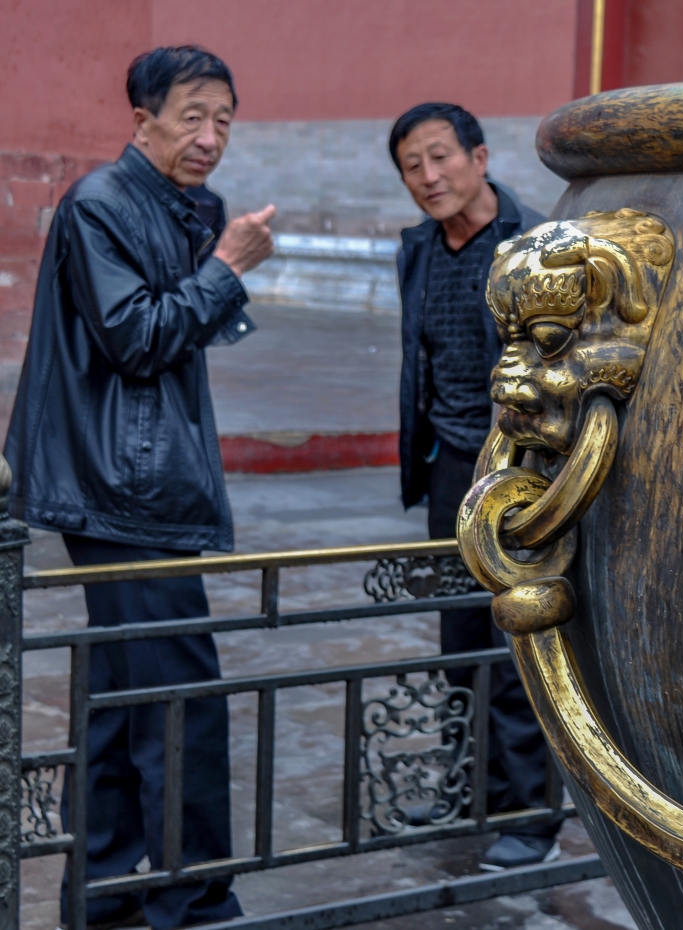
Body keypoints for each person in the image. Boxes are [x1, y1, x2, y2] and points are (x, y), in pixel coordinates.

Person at [4, 47, 276, 930]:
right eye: (193, 116)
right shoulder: (100, 203)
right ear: (143, 120)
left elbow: (182, 329)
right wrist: (227, 264)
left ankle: (107, 888)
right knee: (180, 694)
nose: (211, 137)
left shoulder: (178, 204)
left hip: (137, 478)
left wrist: (212, 252)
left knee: (126, 697)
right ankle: (197, 895)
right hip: (120, 486)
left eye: (225, 119)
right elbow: (136, 337)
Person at [389, 103, 560, 870]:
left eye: (439, 158)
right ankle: (466, 789)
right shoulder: (416, 250)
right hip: (450, 468)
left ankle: (529, 814)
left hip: (520, 470)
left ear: (479, 157)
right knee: (458, 642)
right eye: (411, 167)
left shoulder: (533, 246)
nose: (428, 178)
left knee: (514, 639)